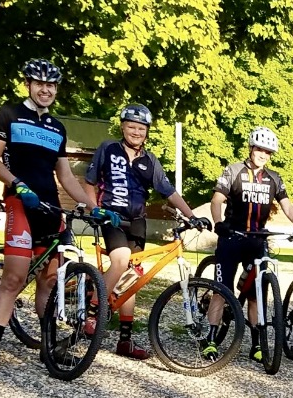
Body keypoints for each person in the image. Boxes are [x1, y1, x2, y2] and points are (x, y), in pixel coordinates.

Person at [0, 59, 110, 375]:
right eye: (39, 83)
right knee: (13, 278)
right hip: (20, 204)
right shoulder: (9, 114)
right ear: (29, 84)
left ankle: (47, 346)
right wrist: (17, 185)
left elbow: (65, 176)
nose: (45, 89)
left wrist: (93, 206)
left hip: (49, 208)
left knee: (49, 281)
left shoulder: (56, 127)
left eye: (51, 85)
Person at [81, 104, 209, 360]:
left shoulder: (150, 161)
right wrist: (95, 209)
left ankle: (125, 341)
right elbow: (90, 182)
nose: (136, 132)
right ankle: (93, 313)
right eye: (131, 127)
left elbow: (168, 191)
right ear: (123, 127)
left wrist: (192, 216)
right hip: (111, 217)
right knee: (119, 260)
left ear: (147, 132)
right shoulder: (108, 148)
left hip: (137, 221)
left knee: (133, 280)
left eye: (141, 128)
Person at [206, 126, 293, 361]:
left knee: (256, 295)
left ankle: (256, 345)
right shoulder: (233, 171)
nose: (263, 155)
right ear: (251, 148)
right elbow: (217, 199)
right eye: (260, 149)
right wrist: (218, 221)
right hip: (232, 237)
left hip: (257, 240)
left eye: (268, 152)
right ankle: (211, 340)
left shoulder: (274, 178)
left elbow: (287, 206)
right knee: (221, 290)